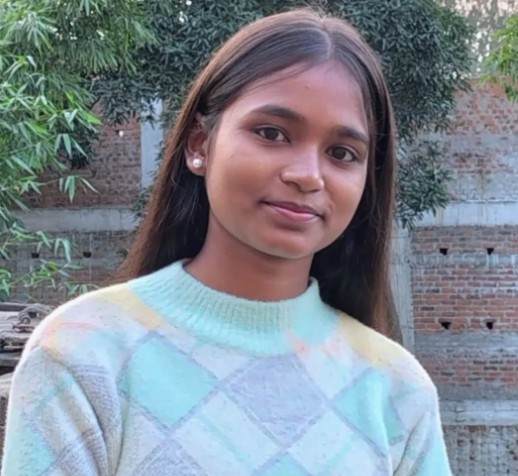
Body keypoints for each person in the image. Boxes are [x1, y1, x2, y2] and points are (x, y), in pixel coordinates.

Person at [1, 8, 452, 476]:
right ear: (200, 144)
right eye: (272, 133)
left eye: (342, 153)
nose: (307, 175)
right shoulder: (83, 354)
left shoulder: (397, 392)